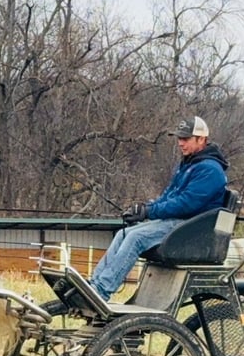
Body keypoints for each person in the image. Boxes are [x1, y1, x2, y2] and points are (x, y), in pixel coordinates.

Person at [86, 115, 229, 302]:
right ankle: (95, 284)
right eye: (179, 138)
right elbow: (168, 197)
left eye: (185, 139)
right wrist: (145, 209)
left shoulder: (210, 169)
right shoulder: (189, 165)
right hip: (180, 223)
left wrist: (151, 212)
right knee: (123, 233)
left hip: (193, 230)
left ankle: (102, 291)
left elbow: (187, 204)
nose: (180, 143)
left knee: (136, 237)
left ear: (201, 139)